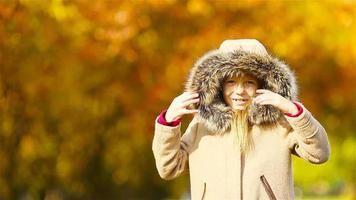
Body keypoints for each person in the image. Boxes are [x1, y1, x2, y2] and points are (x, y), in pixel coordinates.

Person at [152, 39, 330, 200]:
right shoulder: (202, 125)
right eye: (231, 82)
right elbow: (168, 168)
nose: (239, 91)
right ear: (218, 85)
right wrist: (169, 122)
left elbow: (319, 153)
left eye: (249, 83)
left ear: (263, 85)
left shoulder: (279, 125)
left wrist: (294, 110)